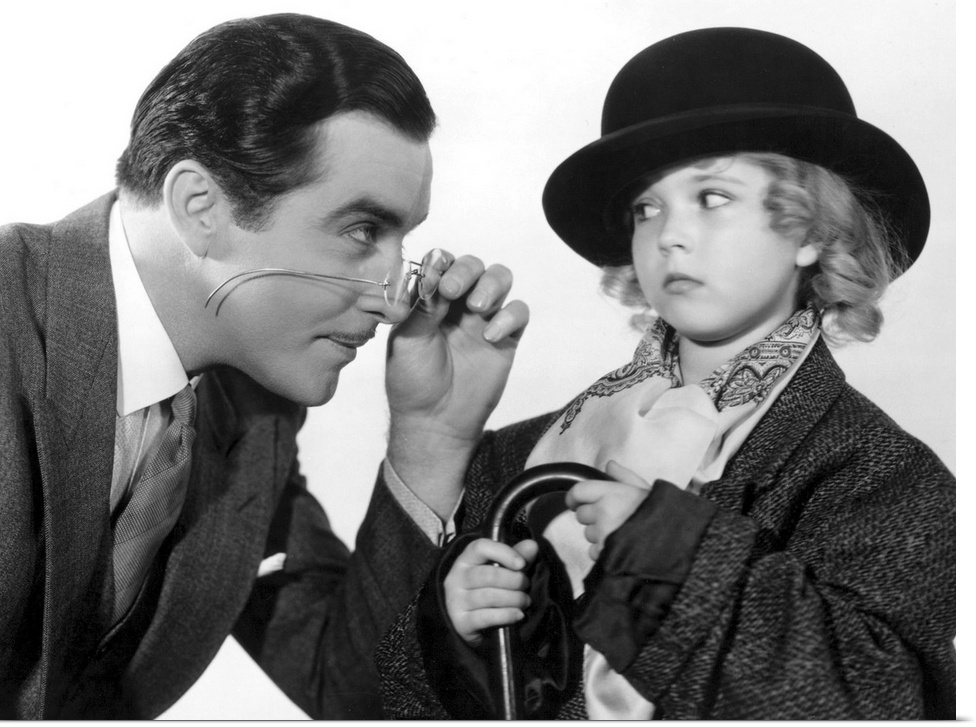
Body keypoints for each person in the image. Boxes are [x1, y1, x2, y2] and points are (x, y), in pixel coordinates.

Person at [374, 27, 956, 720]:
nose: (669, 233)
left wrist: (669, 558)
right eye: (647, 208)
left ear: (810, 232)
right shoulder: (518, 456)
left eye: (711, 197)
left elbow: (878, 699)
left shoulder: (882, 477)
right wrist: (457, 632)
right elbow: (394, 697)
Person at [0, 13, 529, 720]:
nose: (398, 298)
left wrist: (430, 438)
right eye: (363, 230)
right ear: (201, 206)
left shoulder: (250, 408)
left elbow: (349, 691)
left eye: (403, 240)